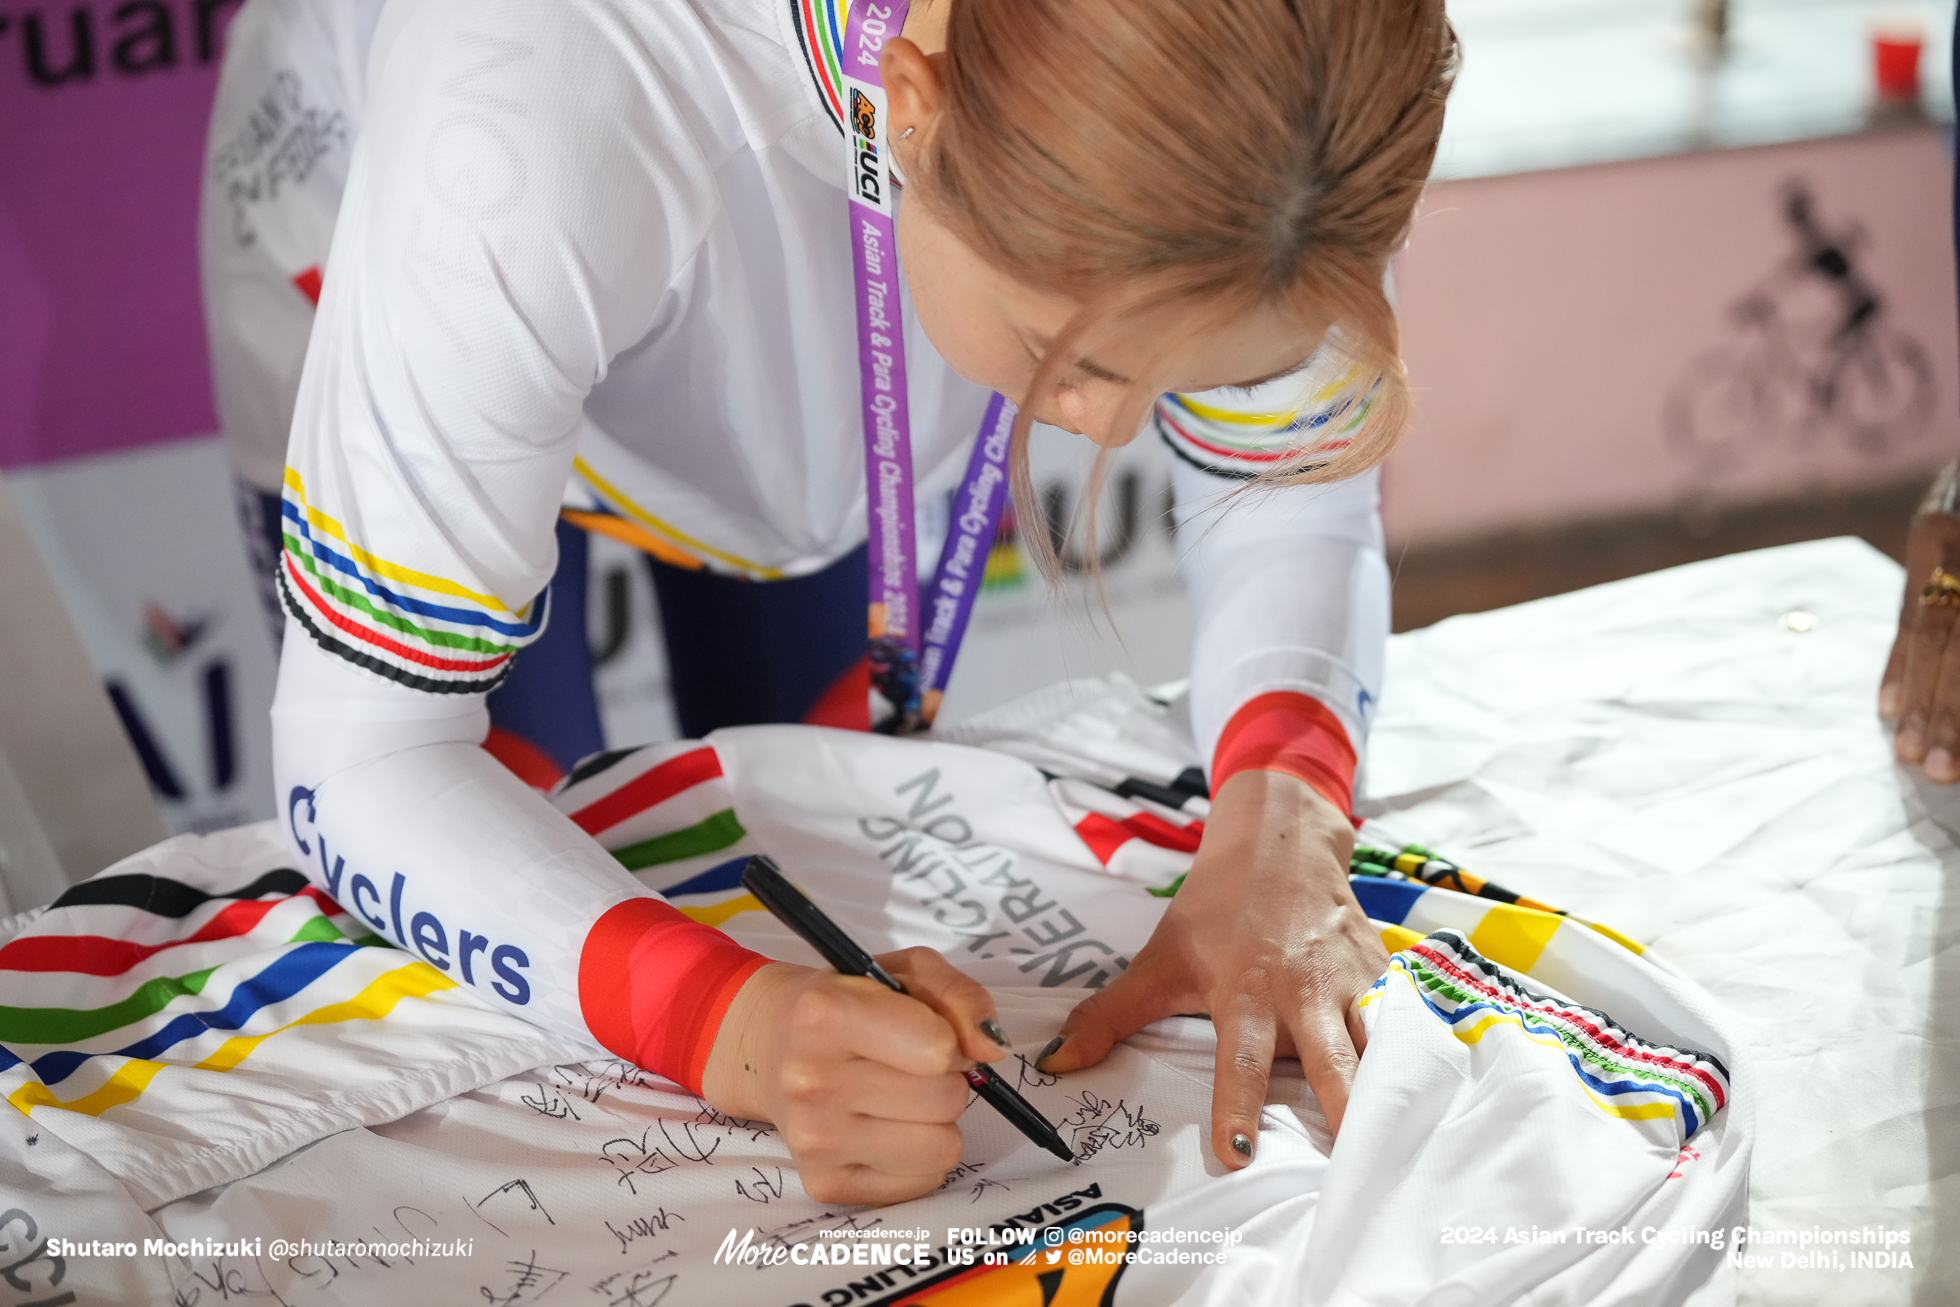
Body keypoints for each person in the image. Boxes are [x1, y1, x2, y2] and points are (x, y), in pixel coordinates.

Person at [220, 0, 1456, 1205]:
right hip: (423, 217)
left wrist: (1279, 829)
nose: (1116, 429)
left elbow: (1289, 495)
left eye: (1198, 371)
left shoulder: (1299, 65)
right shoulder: (518, 102)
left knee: (814, 876)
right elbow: (371, 755)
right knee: (532, 889)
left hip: (791, 292)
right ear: (909, 109)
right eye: (1063, 360)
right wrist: (731, 1026)